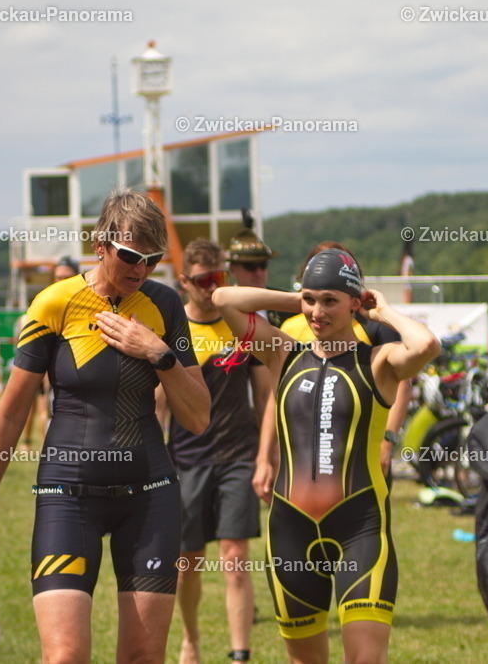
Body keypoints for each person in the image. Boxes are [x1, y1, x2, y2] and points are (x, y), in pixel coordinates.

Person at [0, 189, 210, 663]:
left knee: (143, 658)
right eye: (131, 255)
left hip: (150, 495)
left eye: (152, 260)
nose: (141, 270)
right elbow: (10, 413)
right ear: (101, 244)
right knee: (65, 657)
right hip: (67, 496)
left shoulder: (165, 305)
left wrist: (158, 353)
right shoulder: (53, 303)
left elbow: (198, 416)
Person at [213, 249, 439, 664]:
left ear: (355, 302)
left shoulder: (378, 362)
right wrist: (295, 299)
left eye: (330, 301)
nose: (317, 312)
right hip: (290, 532)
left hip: (360, 532)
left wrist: (383, 311)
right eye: (311, 299)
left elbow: (425, 344)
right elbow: (224, 299)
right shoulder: (284, 354)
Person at [164, 239, 269, 664]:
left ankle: (239, 654)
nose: (212, 287)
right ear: (185, 281)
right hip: (186, 459)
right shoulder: (171, 329)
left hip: (237, 455)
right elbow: (157, 401)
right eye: (204, 280)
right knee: (188, 560)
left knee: (236, 555)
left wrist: (267, 456)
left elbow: (266, 400)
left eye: (220, 278)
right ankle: (190, 638)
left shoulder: (244, 325)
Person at [276, 242, 413, 485]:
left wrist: (387, 439)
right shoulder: (292, 327)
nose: (318, 311)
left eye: (330, 296)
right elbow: (274, 395)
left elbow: (402, 385)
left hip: (360, 455)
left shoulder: (373, 327)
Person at [17, 255, 82, 451]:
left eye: (66, 278)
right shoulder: (43, 307)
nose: (61, 282)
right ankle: (35, 444)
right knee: (34, 406)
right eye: (58, 277)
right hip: (41, 371)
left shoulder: (86, 308)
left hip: (75, 375)